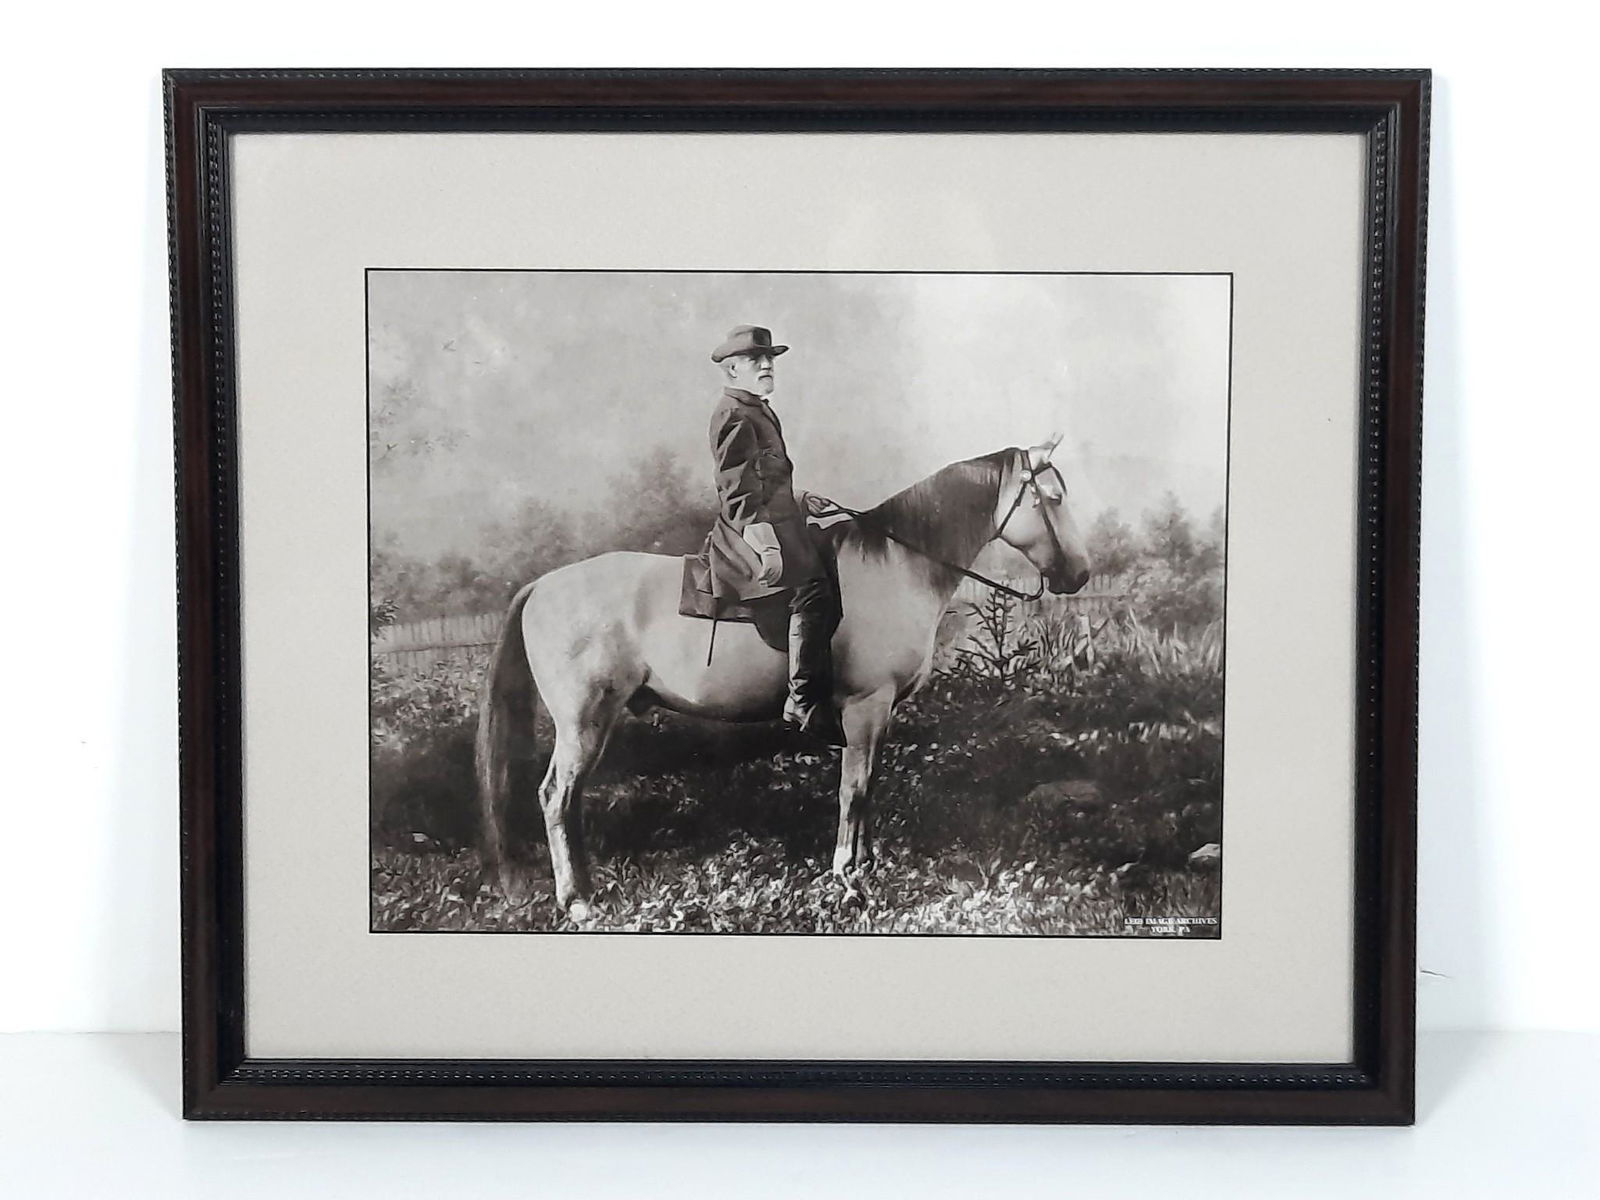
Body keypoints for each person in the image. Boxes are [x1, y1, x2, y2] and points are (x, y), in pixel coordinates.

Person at [703, 325, 846, 747]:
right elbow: (736, 489)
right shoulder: (733, 413)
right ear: (732, 371)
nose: (767, 365)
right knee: (813, 589)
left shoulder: (757, 408)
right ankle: (802, 700)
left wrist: (800, 499)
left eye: (769, 359)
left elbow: (763, 476)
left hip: (776, 519)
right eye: (756, 360)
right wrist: (764, 541)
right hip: (748, 529)